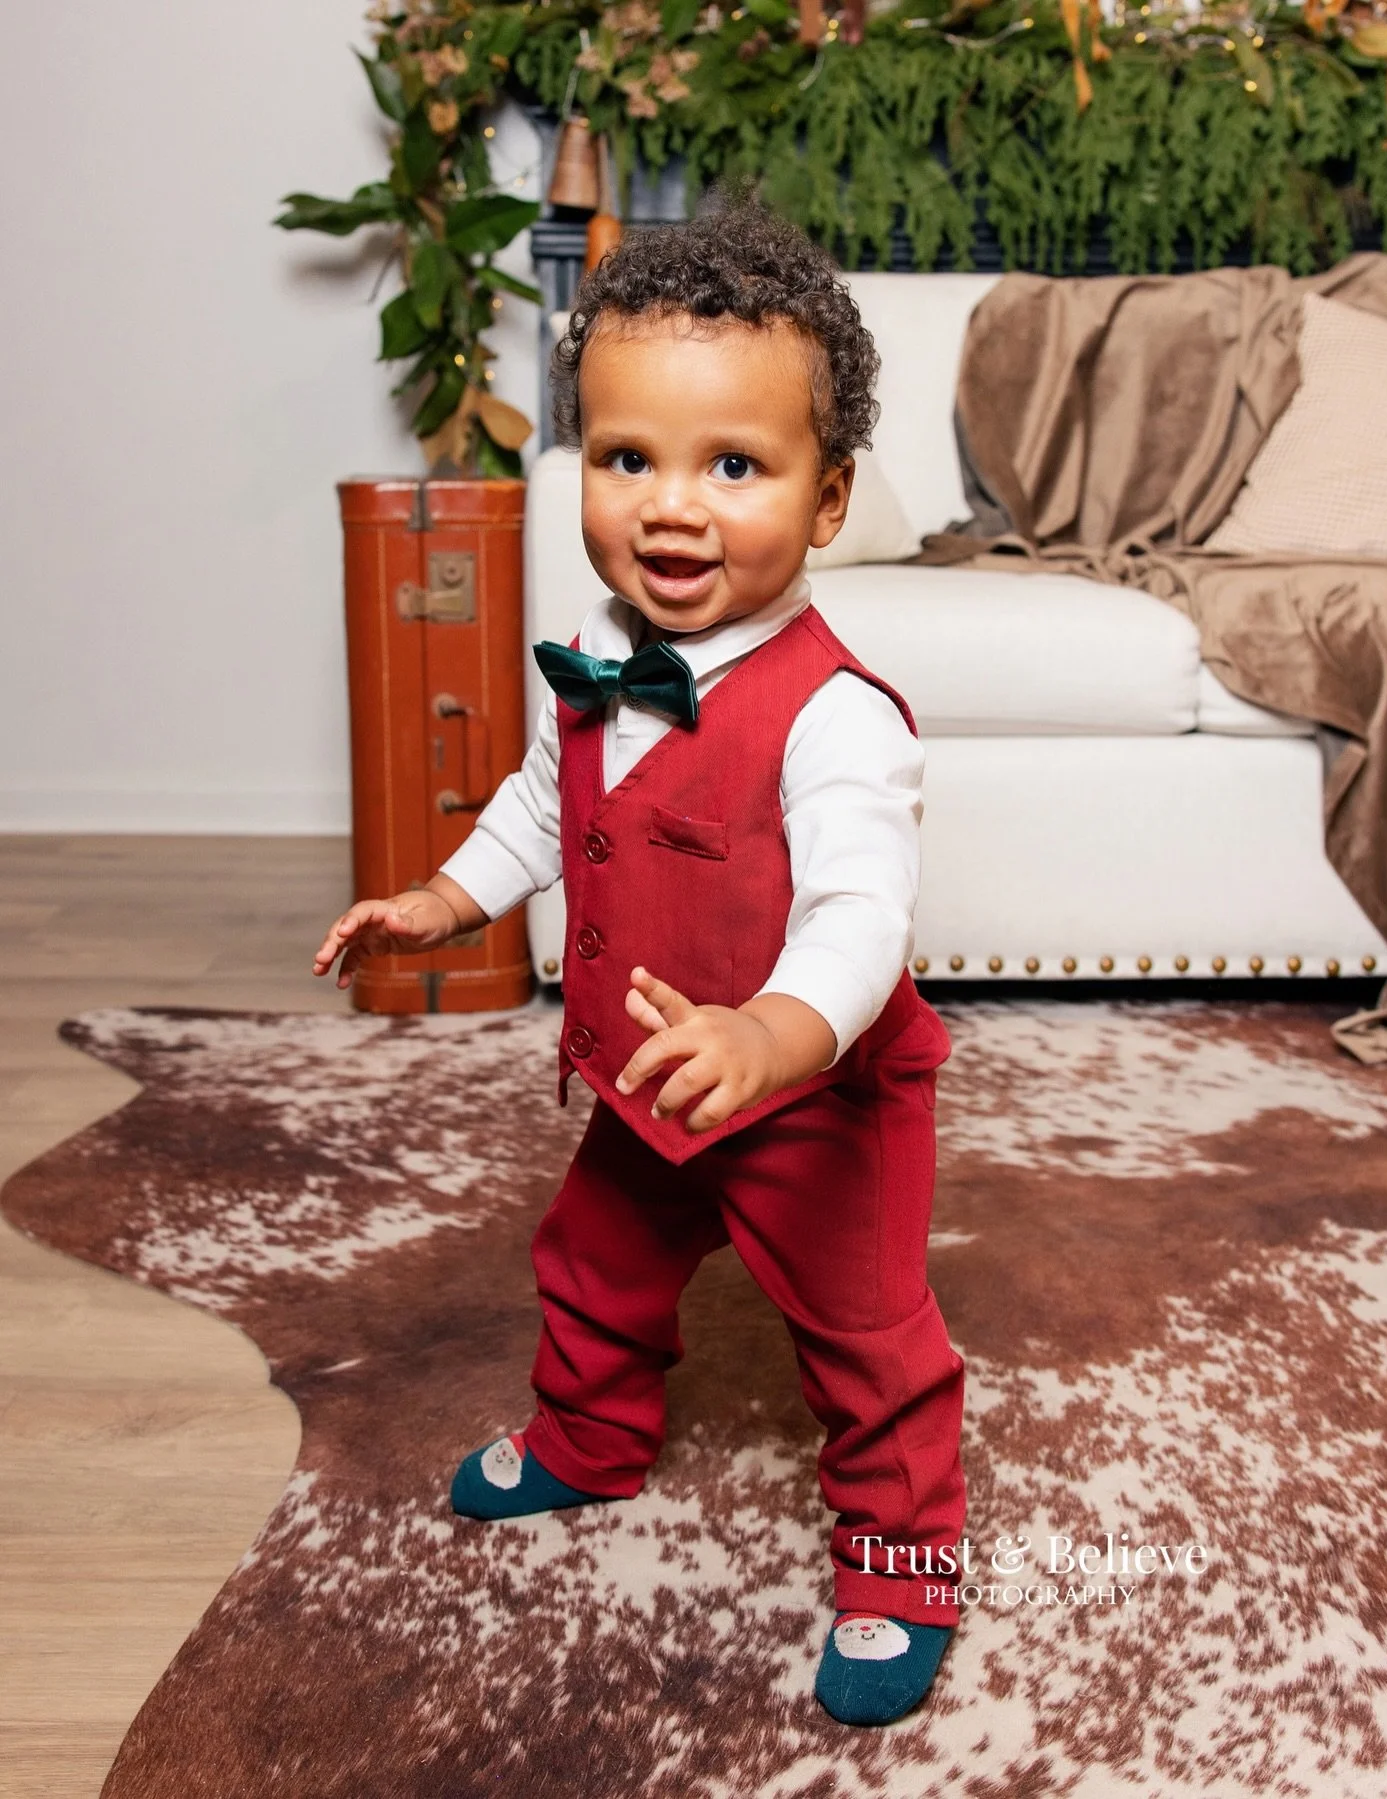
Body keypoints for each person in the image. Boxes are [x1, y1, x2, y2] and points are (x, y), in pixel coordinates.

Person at [312, 202, 965, 1727]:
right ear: (582, 469)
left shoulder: (837, 714)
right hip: (650, 1075)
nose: (673, 508)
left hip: (814, 1105)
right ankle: (590, 1435)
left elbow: (865, 916)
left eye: (735, 465)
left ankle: (899, 1554)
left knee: (866, 1340)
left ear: (828, 499)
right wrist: (446, 897)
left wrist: (776, 1035)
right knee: (594, 1266)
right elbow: (548, 808)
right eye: (628, 460)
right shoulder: (601, 665)